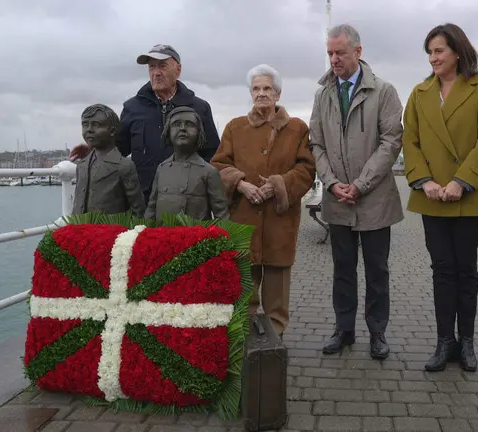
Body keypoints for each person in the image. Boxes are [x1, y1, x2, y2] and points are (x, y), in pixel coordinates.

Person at [402, 23, 478, 373]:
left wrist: (461, 180)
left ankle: (467, 342)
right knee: (441, 270)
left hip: (468, 194)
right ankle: (445, 342)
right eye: (429, 52)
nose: (433, 58)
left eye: (439, 50)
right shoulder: (419, 93)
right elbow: (409, 141)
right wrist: (424, 180)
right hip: (432, 195)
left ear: (458, 51)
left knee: (465, 269)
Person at [309, 24, 404, 360]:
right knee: (342, 269)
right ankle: (343, 329)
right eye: (330, 53)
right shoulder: (322, 95)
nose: (333, 59)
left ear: (358, 52)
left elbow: (391, 142)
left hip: (375, 200)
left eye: (340, 53)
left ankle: (377, 332)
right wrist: (332, 184)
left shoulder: (384, 92)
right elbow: (315, 143)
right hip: (337, 200)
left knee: (377, 271)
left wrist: (360, 185)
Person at [211, 64, 315, 336]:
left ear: (278, 94)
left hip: (280, 222)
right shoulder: (235, 127)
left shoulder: (297, 129)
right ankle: (244, 343)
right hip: (244, 219)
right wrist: (241, 184)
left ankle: (275, 343)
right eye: (256, 89)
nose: (261, 94)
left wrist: (278, 185)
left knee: (277, 293)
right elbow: (219, 165)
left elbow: (306, 169)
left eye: (267, 88)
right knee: (244, 289)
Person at [70, 44, 221, 204]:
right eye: (151, 67)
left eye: (162, 66)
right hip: (142, 200)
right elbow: (117, 149)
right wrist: (92, 149)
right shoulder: (132, 107)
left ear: (178, 70)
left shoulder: (199, 108)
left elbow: (213, 154)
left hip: (186, 201)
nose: (156, 73)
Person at [144, 106, 229, 222]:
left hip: (196, 238)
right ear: (168, 131)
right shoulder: (162, 168)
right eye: (176, 124)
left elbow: (222, 215)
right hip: (162, 237)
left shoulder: (209, 172)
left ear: (199, 132)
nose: (182, 129)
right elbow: (151, 209)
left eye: (189, 124)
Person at [72, 104, 146, 218]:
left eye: (96, 125)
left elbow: (138, 210)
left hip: (111, 232)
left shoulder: (124, 166)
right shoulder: (82, 165)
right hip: (81, 231)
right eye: (85, 125)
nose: (89, 130)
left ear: (112, 131)